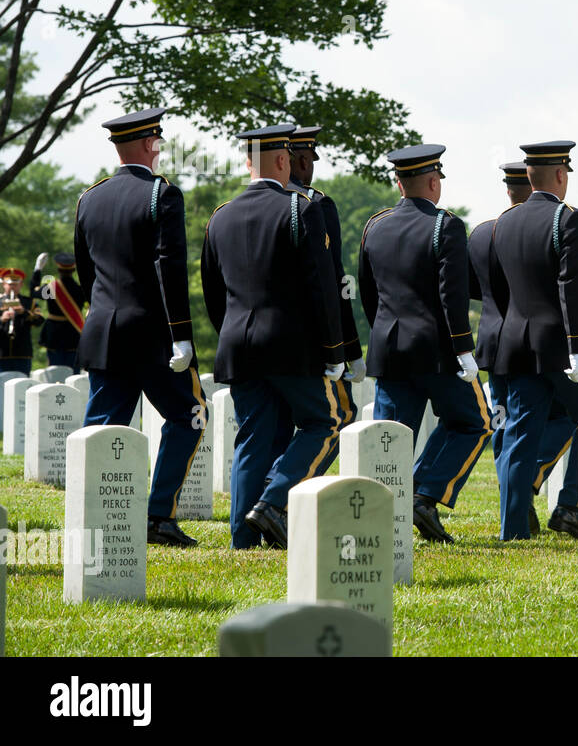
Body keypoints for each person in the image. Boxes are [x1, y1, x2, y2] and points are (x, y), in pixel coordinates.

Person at [201, 123, 351, 549]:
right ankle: (272, 502)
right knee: (329, 422)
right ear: (284, 160)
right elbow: (321, 287)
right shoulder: (300, 209)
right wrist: (334, 349)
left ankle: (243, 538)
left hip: (237, 345)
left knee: (254, 435)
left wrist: (233, 332)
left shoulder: (220, 215)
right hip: (290, 345)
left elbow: (214, 290)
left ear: (249, 162)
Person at [75, 107, 205, 547]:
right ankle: (156, 517)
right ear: (151, 145)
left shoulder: (89, 197)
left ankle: (89, 516)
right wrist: (181, 334)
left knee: (100, 430)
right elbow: (169, 268)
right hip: (151, 334)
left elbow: (86, 273)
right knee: (190, 415)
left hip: (103, 329)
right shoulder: (161, 195)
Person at [359, 143, 492, 545]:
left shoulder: (374, 225)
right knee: (474, 422)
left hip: (388, 348)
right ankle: (425, 493)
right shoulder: (445, 226)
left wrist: (383, 334)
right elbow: (452, 294)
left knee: (391, 440)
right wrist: (464, 349)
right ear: (433, 182)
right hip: (437, 351)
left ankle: (381, 517)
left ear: (399, 183)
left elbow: (369, 294)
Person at [491, 141, 578, 541]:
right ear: (561, 175)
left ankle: (512, 529)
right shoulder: (568, 218)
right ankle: (570, 506)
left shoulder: (503, 223)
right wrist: (577, 346)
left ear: (528, 176)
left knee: (521, 436)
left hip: (517, 342)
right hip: (559, 344)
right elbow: (568, 286)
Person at [469, 162, 573, 536]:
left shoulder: (483, 232)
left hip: (493, 341)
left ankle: (515, 499)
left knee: (505, 425)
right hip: (529, 340)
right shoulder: (541, 227)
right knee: (542, 423)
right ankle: (522, 491)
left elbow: (471, 287)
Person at [288, 126, 366, 384]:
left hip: (252, 351)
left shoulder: (240, 206)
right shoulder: (316, 205)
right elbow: (336, 282)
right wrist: (350, 348)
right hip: (316, 345)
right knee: (333, 420)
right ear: (302, 160)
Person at [30, 253, 84, 369]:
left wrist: (37, 269)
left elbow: (33, 292)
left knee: (55, 371)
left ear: (58, 269)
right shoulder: (80, 290)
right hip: (73, 334)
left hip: (54, 335)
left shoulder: (51, 288)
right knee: (73, 372)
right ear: (73, 269)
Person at [0, 267, 42, 374]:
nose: (12, 287)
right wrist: (2, 319)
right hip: (1, 354)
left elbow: (39, 320)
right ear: (3, 284)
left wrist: (23, 312)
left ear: (21, 284)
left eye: (15, 284)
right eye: (9, 284)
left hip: (22, 353)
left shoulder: (29, 302)